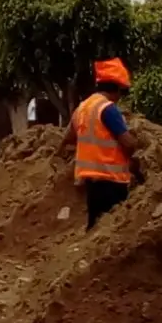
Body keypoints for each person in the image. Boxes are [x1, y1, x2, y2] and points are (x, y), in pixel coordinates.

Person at [57, 58, 139, 231]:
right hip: (111, 180)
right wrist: (139, 147)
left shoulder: (83, 107)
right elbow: (128, 143)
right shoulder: (108, 109)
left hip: (90, 180)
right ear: (116, 88)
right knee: (112, 230)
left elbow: (68, 137)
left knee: (95, 226)